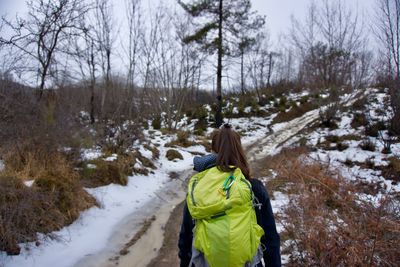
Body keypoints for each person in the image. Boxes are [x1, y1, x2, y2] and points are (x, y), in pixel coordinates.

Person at [178, 124, 281, 267]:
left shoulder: (199, 189)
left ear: (213, 152)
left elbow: (186, 240)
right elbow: (270, 240)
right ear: (239, 151)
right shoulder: (254, 188)